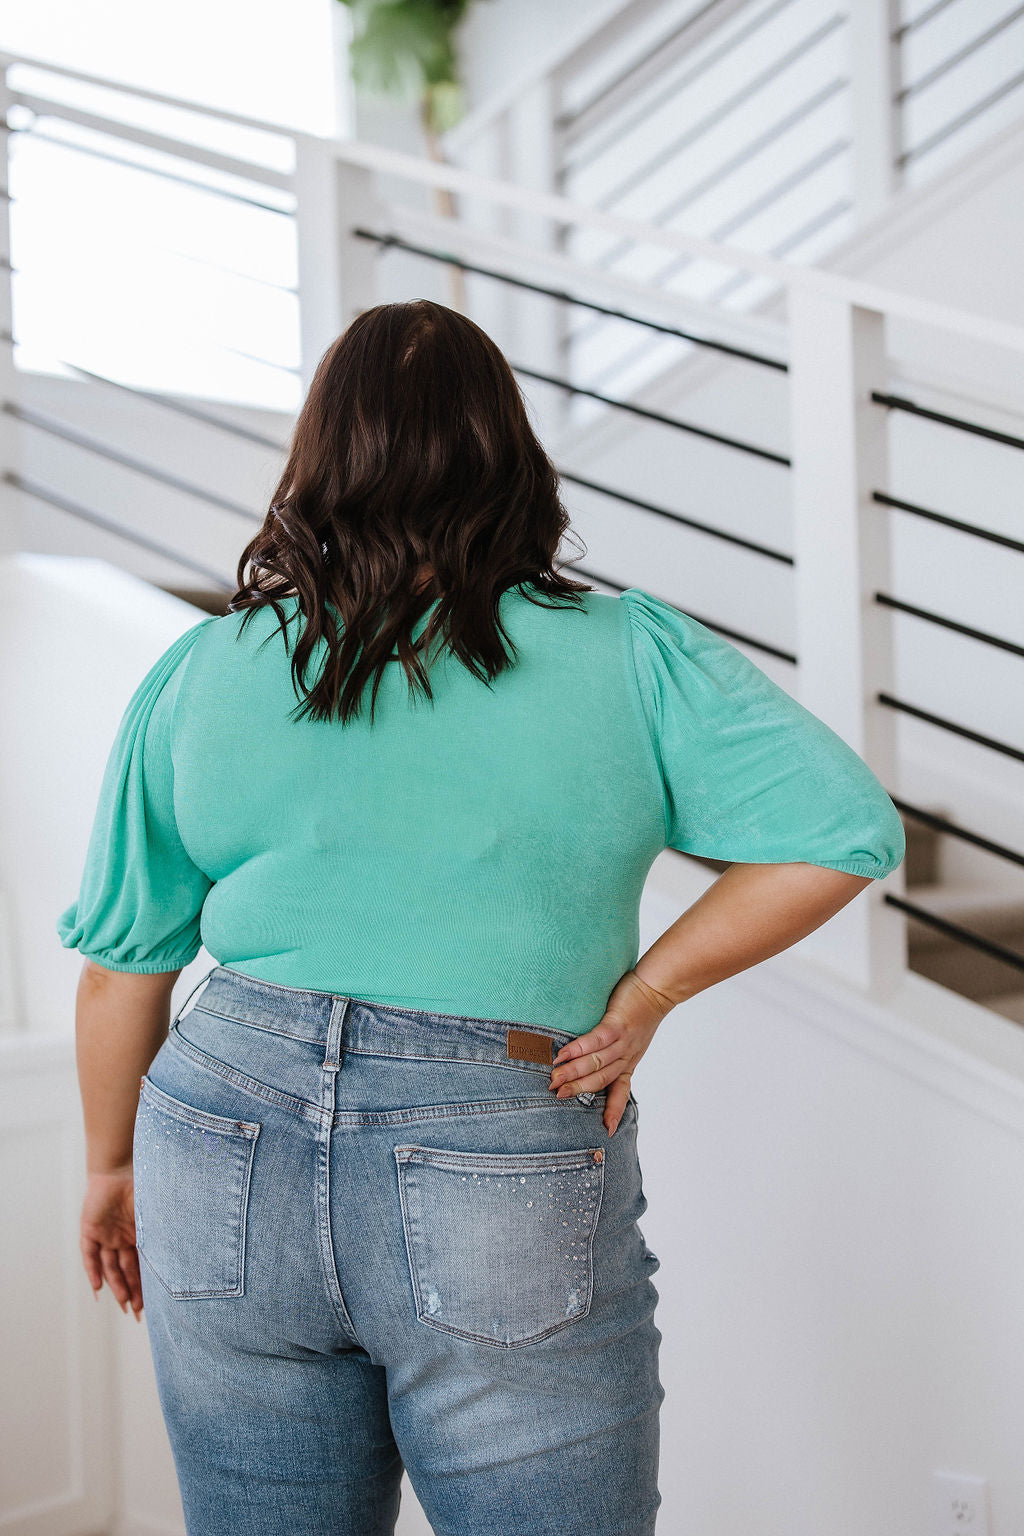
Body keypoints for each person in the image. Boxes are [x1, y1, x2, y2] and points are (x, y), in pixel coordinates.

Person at [57, 299, 906, 1536]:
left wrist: (110, 1165)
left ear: (318, 457)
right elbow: (841, 832)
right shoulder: (627, 653)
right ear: (508, 454)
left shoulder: (206, 668)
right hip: (495, 1135)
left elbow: (120, 970)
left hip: (218, 1128)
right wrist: (648, 995)